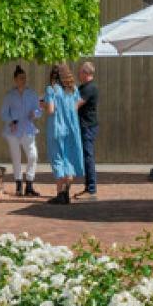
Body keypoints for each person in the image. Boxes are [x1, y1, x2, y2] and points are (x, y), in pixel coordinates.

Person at [43, 63, 85, 206]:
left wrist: (42, 105)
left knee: (58, 160)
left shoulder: (51, 89)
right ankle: (66, 193)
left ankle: (60, 194)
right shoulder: (74, 90)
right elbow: (76, 106)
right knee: (69, 160)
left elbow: (50, 110)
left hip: (56, 128)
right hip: (72, 129)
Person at [0, 66, 42, 197]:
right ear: (15, 79)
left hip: (28, 128)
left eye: (24, 78)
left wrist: (34, 114)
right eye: (20, 78)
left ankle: (29, 183)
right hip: (13, 130)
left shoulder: (32, 94)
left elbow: (39, 110)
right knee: (16, 157)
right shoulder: (9, 95)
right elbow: (3, 113)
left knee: (33, 155)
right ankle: (18, 185)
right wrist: (11, 121)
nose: (23, 80)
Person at [76, 60, 100, 197]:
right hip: (84, 126)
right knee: (86, 156)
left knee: (88, 157)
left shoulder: (90, 88)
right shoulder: (83, 87)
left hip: (88, 127)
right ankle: (88, 187)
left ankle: (91, 189)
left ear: (86, 73)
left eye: (80, 72)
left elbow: (76, 104)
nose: (79, 74)